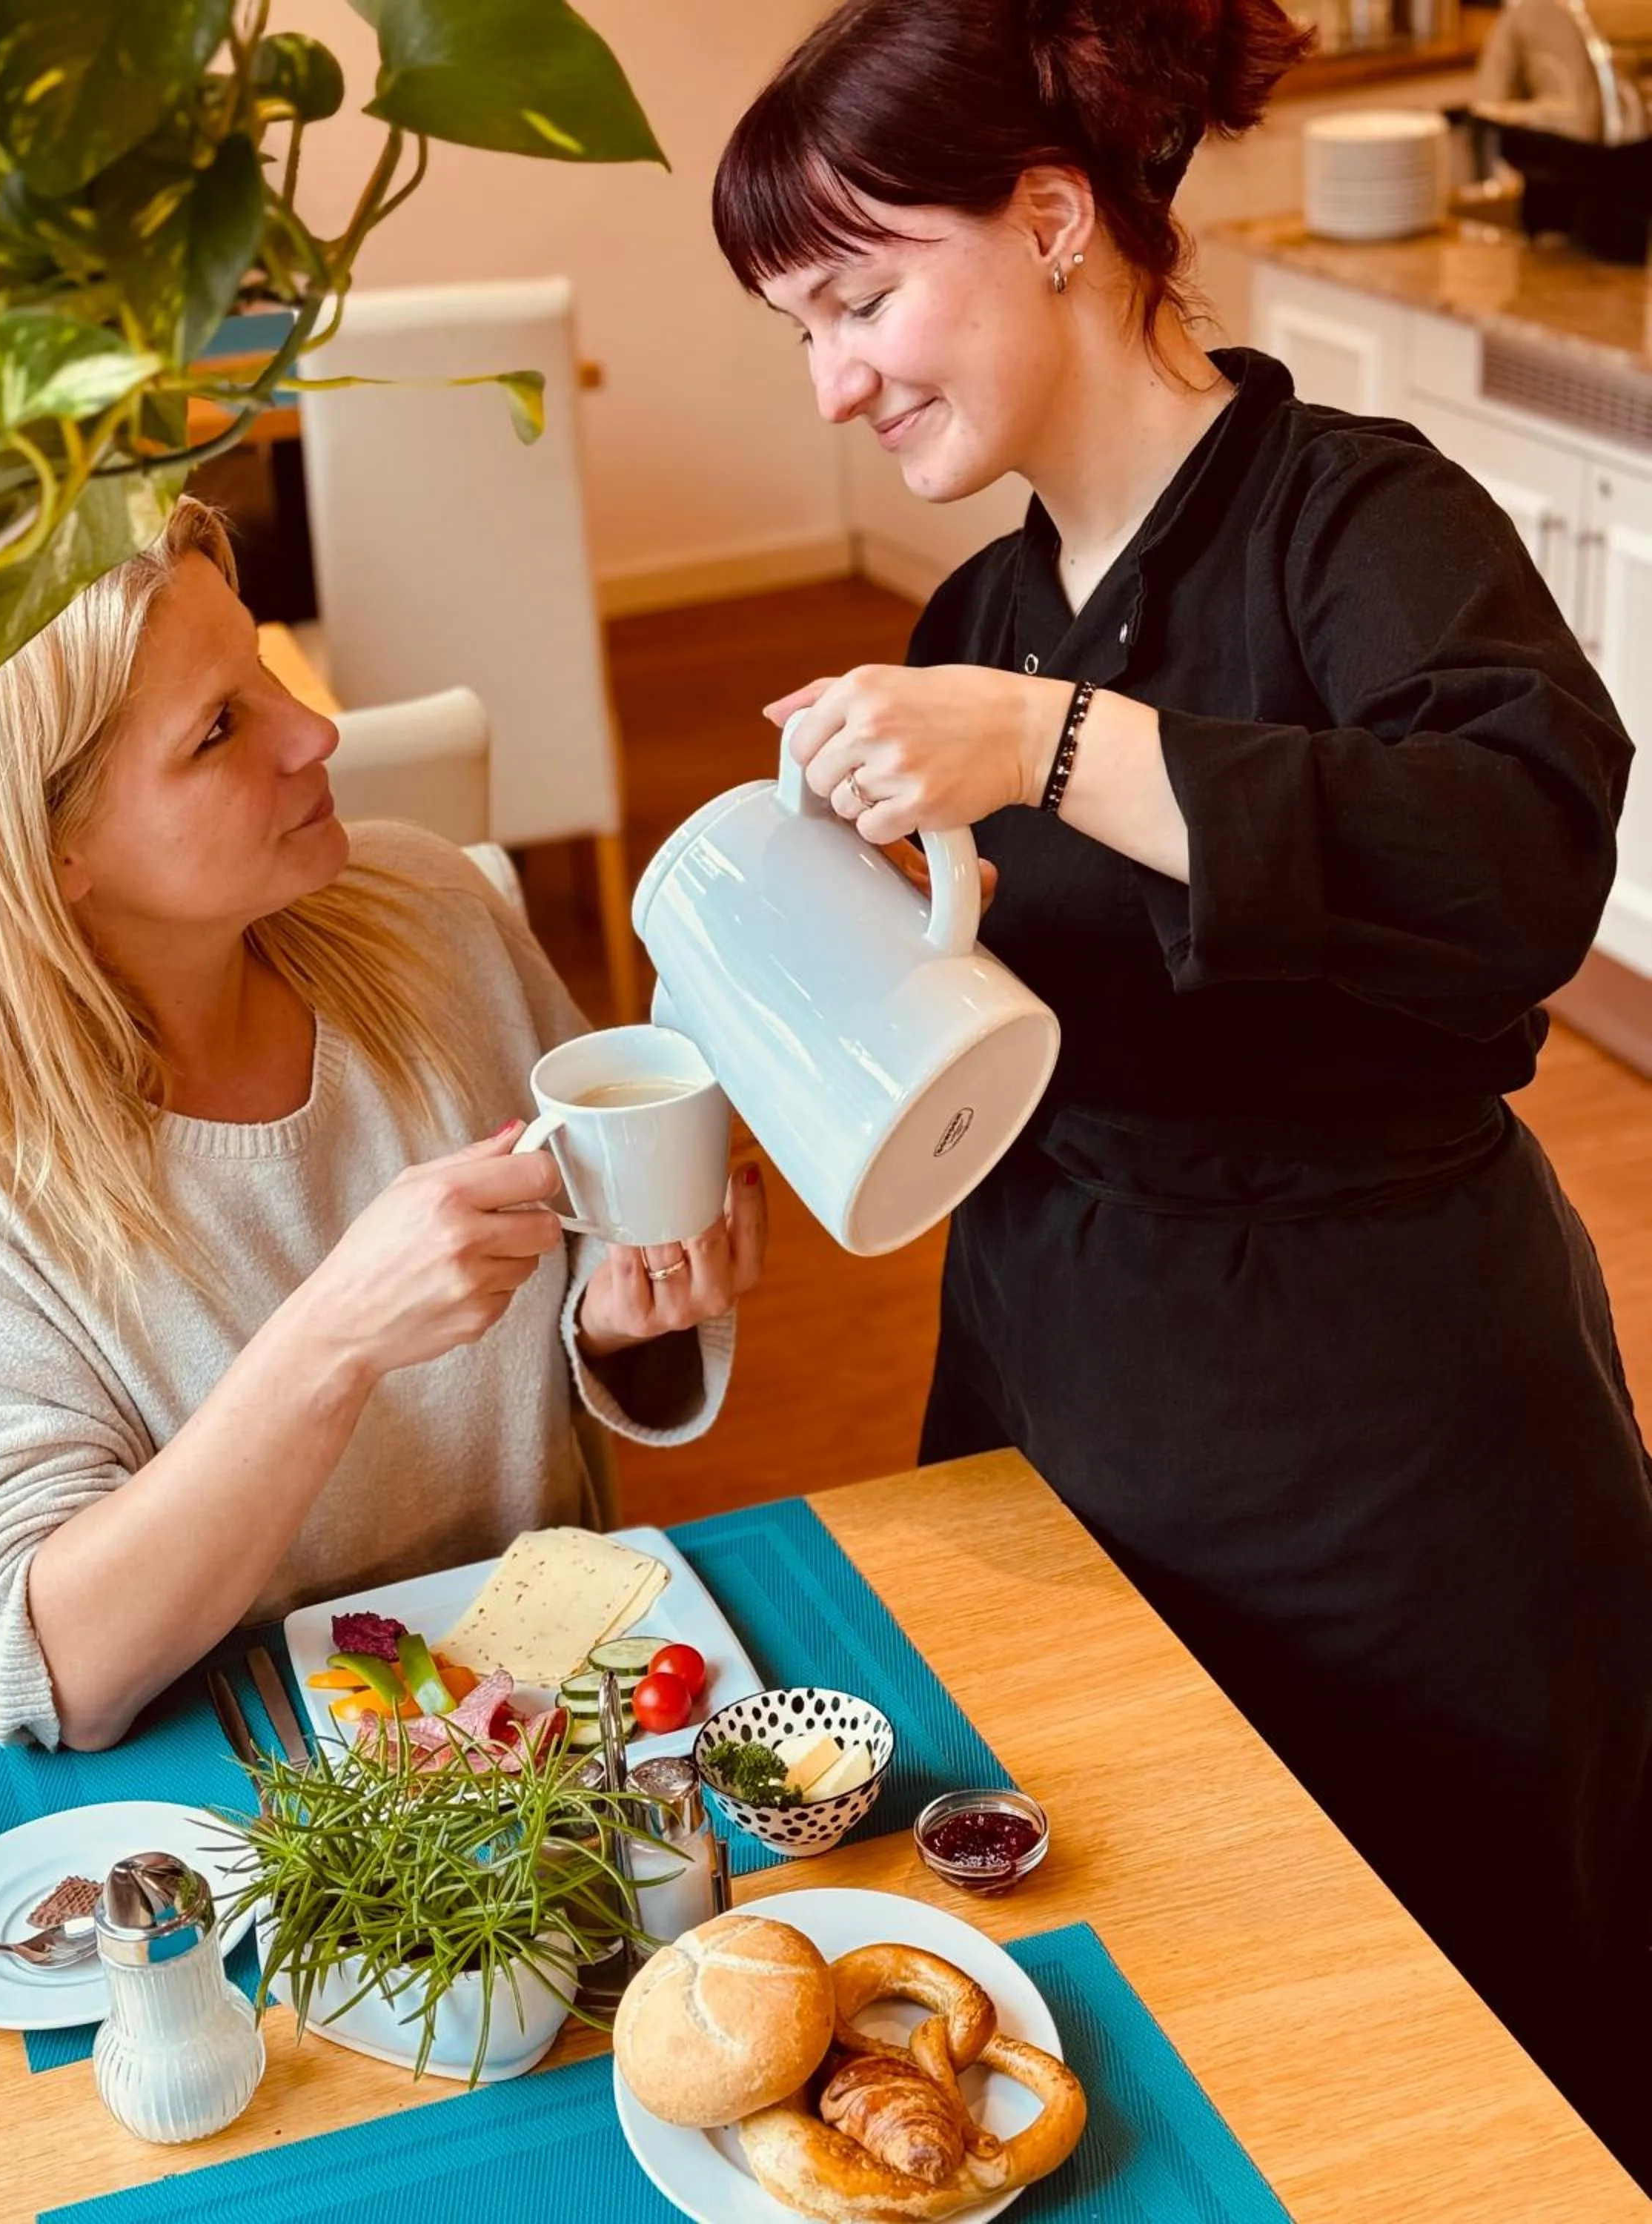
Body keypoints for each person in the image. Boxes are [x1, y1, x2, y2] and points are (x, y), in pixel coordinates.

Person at [713, 0, 1652, 2182]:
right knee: (1143, 2025)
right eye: (795, 332)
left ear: (1054, 221)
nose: (835, 378)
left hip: (1383, 1453)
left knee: (1452, 2060)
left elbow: (1518, 850)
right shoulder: (982, 604)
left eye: (859, 297)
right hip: (1058, 1402)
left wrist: (1039, 753)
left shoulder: (1359, 521)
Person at [0, 499, 765, 1755]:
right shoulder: (8, 1175)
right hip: (248, 1803)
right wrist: (335, 1339)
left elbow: (582, 1304)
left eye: (266, 669)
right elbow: (52, 1671)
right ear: (54, 842)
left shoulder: (432, 912)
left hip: (554, 1736)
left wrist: (623, 1318)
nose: (316, 730)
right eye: (220, 729)